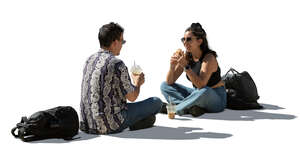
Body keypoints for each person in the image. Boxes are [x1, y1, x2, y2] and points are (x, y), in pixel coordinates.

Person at [80, 22, 163, 134]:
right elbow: (132, 97)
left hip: (87, 124)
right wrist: (137, 83)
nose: (122, 45)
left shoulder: (89, 60)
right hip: (109, 124)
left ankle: (139, 121)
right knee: (157, 102)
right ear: (114, 43)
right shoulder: (117, 63)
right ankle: (131, 124)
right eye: (122, 41)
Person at [160, 23, 227, 117]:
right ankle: (192, 107)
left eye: (189, 39)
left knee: (204, 91)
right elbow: (170, 82)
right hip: (196, 93)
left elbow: (201, 85)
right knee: (164, 85)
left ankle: (176, 109)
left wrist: (186, 67)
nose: (185, 42)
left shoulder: (209, 58)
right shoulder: (187, 56)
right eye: (183, 39)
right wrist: (172, 66)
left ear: (199, 41)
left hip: (215, 97)